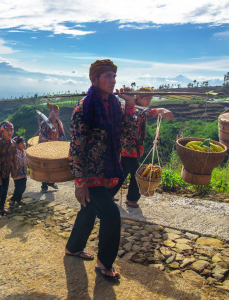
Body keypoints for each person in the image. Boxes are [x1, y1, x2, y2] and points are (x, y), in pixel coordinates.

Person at [67, 59, 136, 280]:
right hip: (91, 174)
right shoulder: (84, 107)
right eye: (108, 76)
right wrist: (80, 182)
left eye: (114, 76)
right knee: (111, 215)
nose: (112, 80)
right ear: (94, 79)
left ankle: (73, 247)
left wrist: (131, 104)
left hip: (110, 169)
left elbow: (126, 131)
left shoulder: (115, 105)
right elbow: (77, 146)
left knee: (89, 209)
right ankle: (104, 264)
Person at [110, 87, 174, 207]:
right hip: (127, 148)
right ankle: (132, 198)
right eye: (146, 98)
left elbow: (145, 113)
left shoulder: (138, 108)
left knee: (122, 173)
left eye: (150, 98)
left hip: (133, 149)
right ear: (138, 97)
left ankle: (109, 193)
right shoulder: (132, 109)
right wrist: (160, 109)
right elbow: (145, 113)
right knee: (137, 174)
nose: (148, 101)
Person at [0, 121, 17, 216]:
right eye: (7, 130)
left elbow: (14, 157)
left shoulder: (13, 143)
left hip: (7, 172)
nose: (9, 132)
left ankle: (1, 208)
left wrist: (15, 169)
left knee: (5, 190)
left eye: (11, 130)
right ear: (2, 132)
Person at [39, 103, 65, 192]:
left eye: (57, 112)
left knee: (53, 165)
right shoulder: (44, 123)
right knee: (45, 165)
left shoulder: (59, 123)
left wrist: (60, 145)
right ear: (50, 112)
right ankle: (44, 185)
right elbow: (41, 136)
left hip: (55, 147)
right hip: (46, 147)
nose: (56, 114)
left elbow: (61, 135)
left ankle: (52, 182)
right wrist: (50, 142)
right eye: (54, 112)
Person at [9, 136, 27, 207]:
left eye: (24, 142)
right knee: (18, 188)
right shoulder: (14, 152)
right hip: (17, 173)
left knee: (23, 187)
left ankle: (18, 199)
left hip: (23, 172)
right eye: (22, 143)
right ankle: (12, 199)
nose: (24, 144)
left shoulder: (24, 152)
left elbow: (26, 161)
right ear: (17, 144)